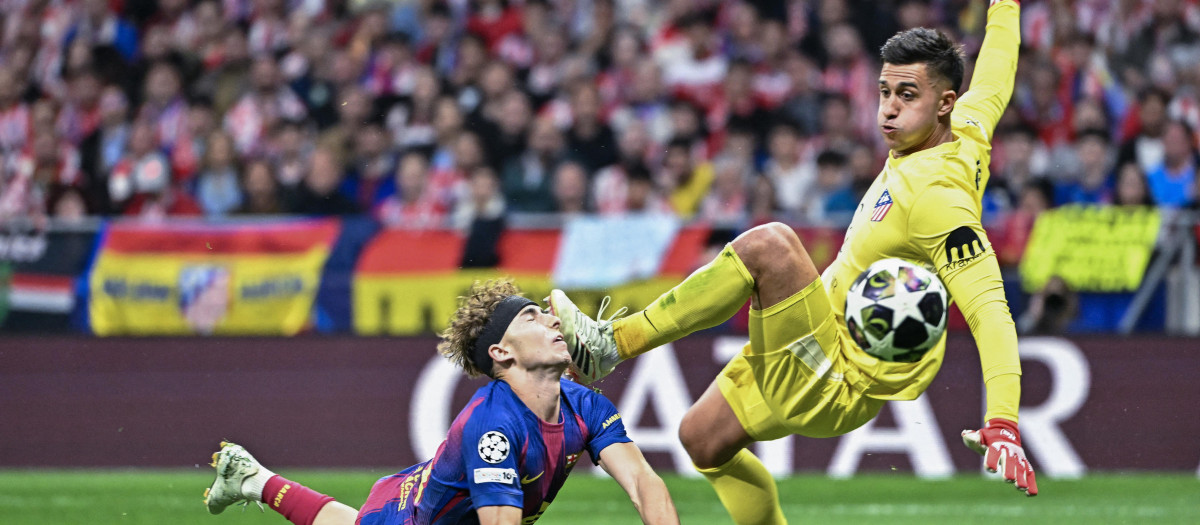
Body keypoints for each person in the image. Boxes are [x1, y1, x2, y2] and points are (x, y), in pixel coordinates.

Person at [548, 2, 1038, 523]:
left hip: (836, 376)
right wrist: (1004, 6)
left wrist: (1003, 421)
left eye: (907, 96)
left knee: (771, 247)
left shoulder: (939, 197)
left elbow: (990, 309)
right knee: (702, 439)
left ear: (943, 104)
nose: (889, 110)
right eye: (884, 92)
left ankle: (611, 344)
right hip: (819, 334)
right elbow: (999, 63)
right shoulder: (969, 120)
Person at [203, 280, 679, 525]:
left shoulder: (585, 405)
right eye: (533, 317)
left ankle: (252, 479)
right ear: (502, 354)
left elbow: (642, 483)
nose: (555, 321)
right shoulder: (493, 428)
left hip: (415, 496)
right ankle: (254, 480)